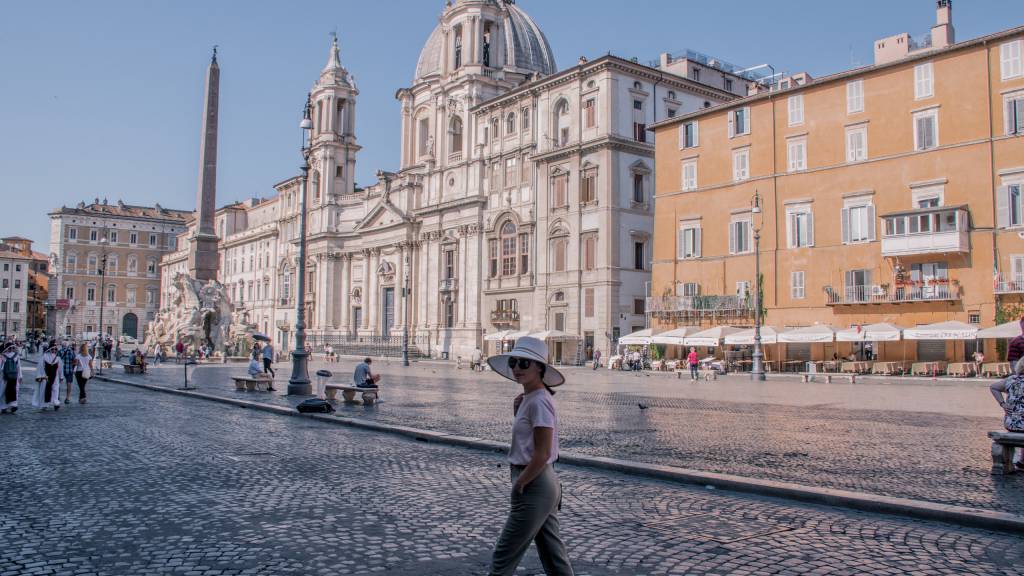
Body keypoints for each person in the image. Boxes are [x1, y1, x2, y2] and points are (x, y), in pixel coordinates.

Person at [486, 336, 573, 576]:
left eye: (525, 363)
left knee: (503, 556)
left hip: (534, 482)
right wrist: (518, 413)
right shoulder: (529, 399)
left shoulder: (539, 402)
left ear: (540, 368)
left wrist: (521, 483)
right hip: (539, 481)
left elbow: (543, 453)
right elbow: (529, 442)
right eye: (514, 362)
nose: (516, 368)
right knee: (554, 557)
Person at [989, 358, 1024, 470]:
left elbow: (993, 387)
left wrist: (1003, 404)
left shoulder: (1011, 379)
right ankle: (1021, 461)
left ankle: (1021, 461)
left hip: (1011, 424)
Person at [33, 342, 64, 411]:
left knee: (55, 390)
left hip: (55, 377)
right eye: (53, 349)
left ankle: (56, 403)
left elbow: (60, 368)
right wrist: (40, 375)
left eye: (55, 349)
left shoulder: (58, 358)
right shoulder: (44, 356)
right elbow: (40, 366)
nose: (54, 351)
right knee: (45, 389)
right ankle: (45, 404)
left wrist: (61, 376)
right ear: (50, 349)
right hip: (45, 376)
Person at [1, 342, 23, 414]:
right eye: (10, 348)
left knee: (14, 390)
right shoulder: (3, 356)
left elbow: (18, 367)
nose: (11, 349)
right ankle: (4, 406)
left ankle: (13, 405)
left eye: (13, 348)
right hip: (5, 377)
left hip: (13, 376)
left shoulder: (16, 356)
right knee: (4, 391)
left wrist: (20, 376)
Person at [58, 340, 77, 405]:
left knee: (58, 383)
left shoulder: (59, 351)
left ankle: (57, 396)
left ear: (62, 345)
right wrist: (72, 366)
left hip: (60, 370)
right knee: (69, 384)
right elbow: (75, 361)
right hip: (69, 370)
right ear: (67, 345)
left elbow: (57, 361)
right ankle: (67, 398)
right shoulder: (71, 352)